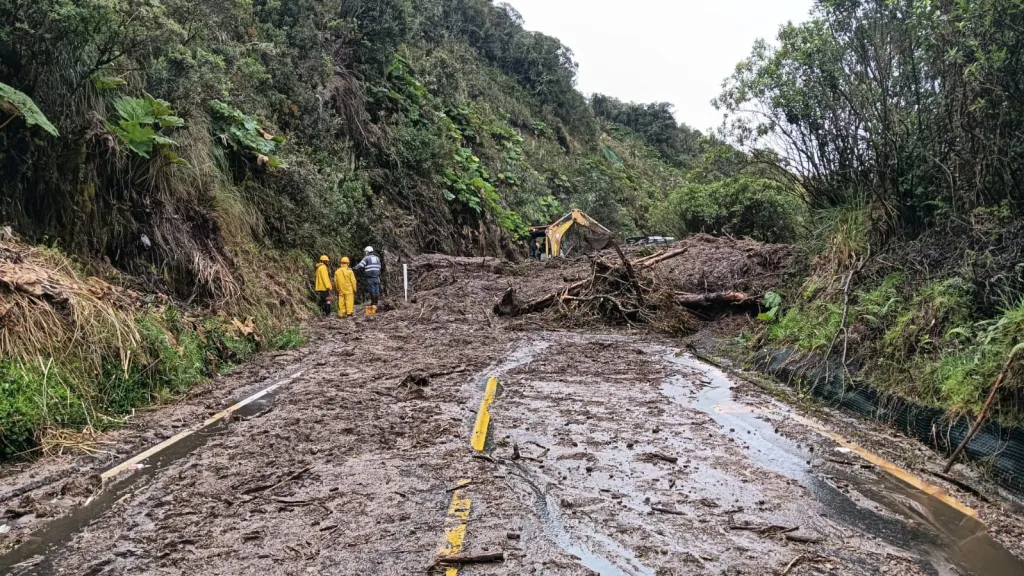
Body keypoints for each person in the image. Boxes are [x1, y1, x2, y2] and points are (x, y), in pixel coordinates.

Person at [352, 246, 382, 315]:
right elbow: (380, 267)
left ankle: (373, 302)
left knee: (372, 289)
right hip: (377, 276)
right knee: (376, 288)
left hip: (370, 276)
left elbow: (360, 265)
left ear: (367, 252)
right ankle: (376, 302)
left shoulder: (366, 258)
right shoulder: (377, 258)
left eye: (365, 252)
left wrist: (353, 268)